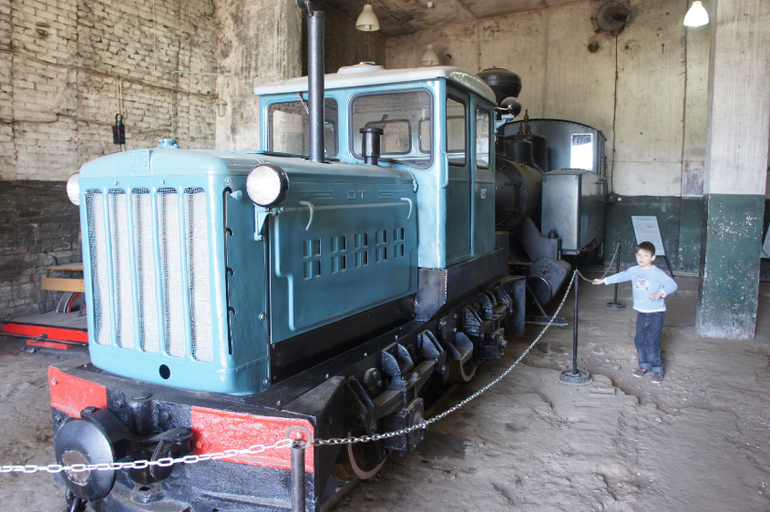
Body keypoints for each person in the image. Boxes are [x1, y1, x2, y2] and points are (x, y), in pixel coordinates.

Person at [593, 241, 677, 384]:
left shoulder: (657, 273)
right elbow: (620, 276)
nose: (641, 258)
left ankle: (657, 369)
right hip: (642, 312)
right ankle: (644, 365)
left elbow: (672, 285)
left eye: (645, 255)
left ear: (653, 257)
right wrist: (604, 281)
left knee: (652, 341)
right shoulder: (634, 270)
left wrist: (660, 292)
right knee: (639, 340)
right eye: (639, 255)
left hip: (656, 312)